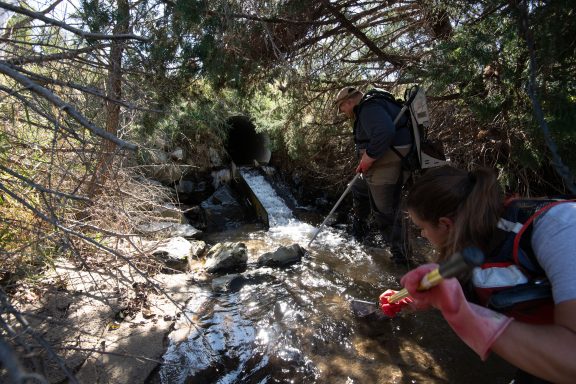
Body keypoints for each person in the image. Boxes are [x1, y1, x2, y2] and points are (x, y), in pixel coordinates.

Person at [380, 165, 576, 383]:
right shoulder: (470, 244)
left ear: (445, 224)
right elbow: (449, 291)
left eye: (422, 228)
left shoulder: (561, 228)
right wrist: (412, 297)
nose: (423, 235)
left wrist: (463, 314)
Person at [334, 86, 412, 263]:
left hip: (386, 165)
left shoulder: (369, 108)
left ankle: (402, 258)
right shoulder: (373, 105)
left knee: (385, 212)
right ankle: (360, 233)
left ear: (349, 102)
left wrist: (368, 158)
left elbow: (385, 132)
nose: (344, 112)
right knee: (358, 187)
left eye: (342, 108)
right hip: (379, 164)